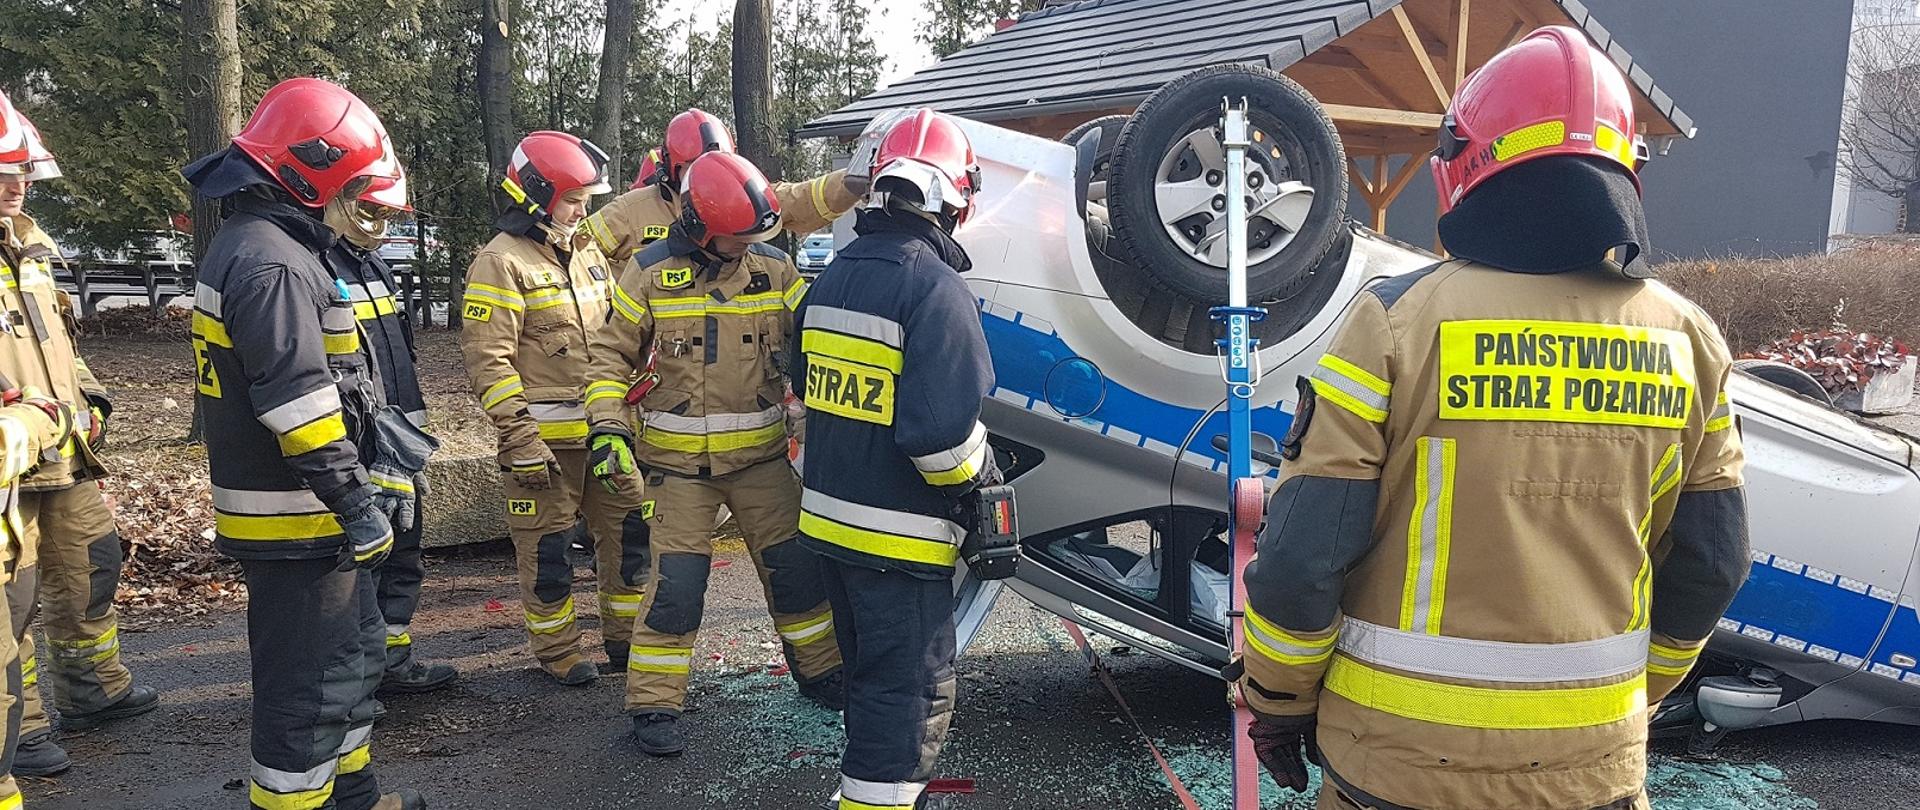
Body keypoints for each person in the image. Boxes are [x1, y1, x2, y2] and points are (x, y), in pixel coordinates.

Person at [1234, 27, 1750, 810]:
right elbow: (1712, 563)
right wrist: (1629, 700)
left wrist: (1277, 703)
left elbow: (1305, 556)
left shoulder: (1396, 324)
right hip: (1595, 776)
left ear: (1467, 165)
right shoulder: (1690, 341)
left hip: (1398, 770)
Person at [183, 77, 427, 810]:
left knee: (347, 678)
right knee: (306, 699)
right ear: (308, 174)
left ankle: (355, 800)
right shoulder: (276, 264)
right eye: (355, 189)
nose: (366, 211)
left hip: (309, 517)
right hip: (299, 522)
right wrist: (358, 501)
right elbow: (302, 406)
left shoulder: (272, 245)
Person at [585, 151, 842, 758]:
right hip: (678, 473)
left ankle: (821, 672)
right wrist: (608, 429)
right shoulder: (647, 273)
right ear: (699, 226)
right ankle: (653, 704)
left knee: (797, 574)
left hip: (763, 463)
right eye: (737, 236)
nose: (747, 244)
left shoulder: (776, 270)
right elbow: (608, 358)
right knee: (676, 586)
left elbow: (817, 332)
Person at [790, 109, 993, 810]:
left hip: (830, 532)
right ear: (955, 196)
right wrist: (983, 484)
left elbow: (807, 386)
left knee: (872, 688)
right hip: (899, 544)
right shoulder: (934, 290)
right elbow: (940, 440)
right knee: (906, 699)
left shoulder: (833, 278)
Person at [0, 93, 157, 779]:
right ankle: (21, 728)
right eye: (2, 172)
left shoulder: (31, 251)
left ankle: (93, 691)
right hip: (8, 465)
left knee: (92, 565)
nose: (17, 185)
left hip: (65, 450)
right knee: (15, 602)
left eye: (23, 172)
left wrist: (89, 397)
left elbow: (60, 344)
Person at [459, 131, 649, 685]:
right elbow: (488, 362)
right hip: (542, 450)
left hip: (606, 435)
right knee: (548, 559)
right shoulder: (500, 263)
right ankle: (559, 653)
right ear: (537, 196)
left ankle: (626, 642)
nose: (583, 210)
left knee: (630, 540)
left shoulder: (588, 252)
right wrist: (520, 438)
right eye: (573, 198)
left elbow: (615, 335)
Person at [318, 180, 458, 697]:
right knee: (364, 559)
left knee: (405, 548)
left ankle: (391, 661)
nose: (381, 220)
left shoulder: (373, 265)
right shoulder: (318, 264)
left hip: (399, 434)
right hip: (358, 442)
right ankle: (360, 678)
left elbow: (396, 357)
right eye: (373, 208)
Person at [581, 108, 867, 263]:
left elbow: (801, 200)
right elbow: (574, 257)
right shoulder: (631, 211)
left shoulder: (743, 196)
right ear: (672, 165)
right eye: (695, 165)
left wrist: (853, 180)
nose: (709, 174)